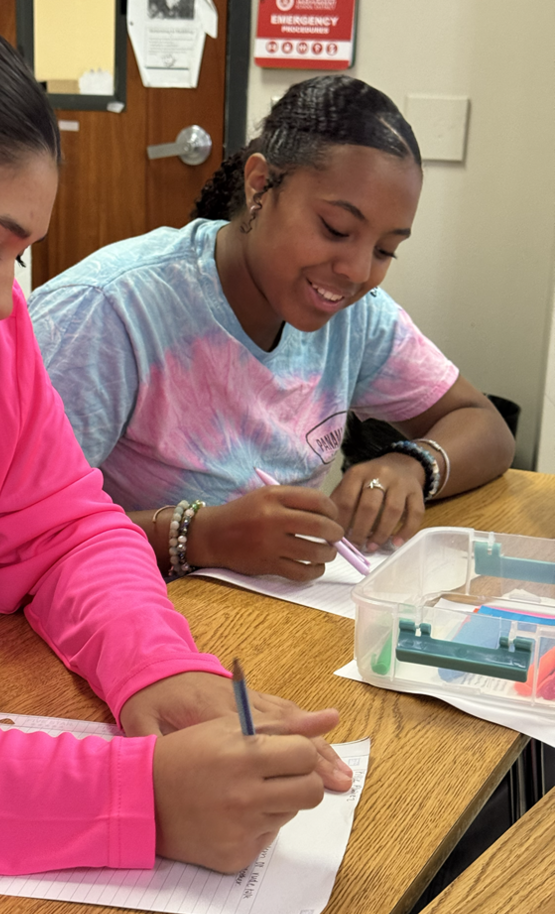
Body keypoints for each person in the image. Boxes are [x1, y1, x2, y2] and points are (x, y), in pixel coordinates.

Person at [0, 0, 352, 878]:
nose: (1, 296)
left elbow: (64, 531)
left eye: (14, 258)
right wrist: (128, 799)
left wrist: (155, 665)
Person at [30, 76, 516, 581]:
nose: (356, 270)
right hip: (111, 621)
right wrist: (202, 536)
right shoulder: (110, 311)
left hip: (267, 618)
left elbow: (486, 428)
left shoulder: (356, 314)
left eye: (385, 249)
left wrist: (413, 462)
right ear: (260, 184)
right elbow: (18, 536)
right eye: (335, 229)